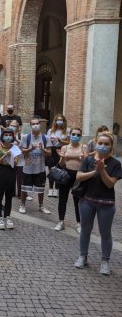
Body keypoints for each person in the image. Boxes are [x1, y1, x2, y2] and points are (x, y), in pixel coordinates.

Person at [74, 132, 122, 275]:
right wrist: (95, 171)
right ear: (95, 143)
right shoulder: (88, 160)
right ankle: (83, 256)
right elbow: (79, 176)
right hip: (87, 201)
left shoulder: (115, 164)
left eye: (106, 144)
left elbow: (109, 184)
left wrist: (102, 171)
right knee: (85, 230)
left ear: (111, 146)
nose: (102, 146)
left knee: (105, 233)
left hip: (106, 203)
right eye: (100, 143)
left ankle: (105, 261)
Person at [54, 127, 88, 232]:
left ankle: (79, 223)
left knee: (77, 201)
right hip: (66, 174)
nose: (75, 136)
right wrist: (62, 158)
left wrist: (84, 159)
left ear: (81, 136)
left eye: (78, 135)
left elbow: (87, 164)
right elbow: (61, 164)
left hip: (78, 175)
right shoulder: (65, 147)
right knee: (62, 199)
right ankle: (61, 221)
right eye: (74, 134)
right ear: (70, 134)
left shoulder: (84, 147)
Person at [19, 117, 52, 214]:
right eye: (33, 124)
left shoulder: (46, 138)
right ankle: (22, 204)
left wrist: (43, 149)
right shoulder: (26, 137)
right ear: (30, 125)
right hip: (28, 168)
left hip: (40, 168)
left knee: (40, 189)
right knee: (24, 188)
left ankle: (41, 206)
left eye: (37, 123)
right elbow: (22, 151)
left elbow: (49, 153)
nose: (35, 125)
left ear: (40, 125)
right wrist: (30, 149)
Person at [0, 128, 20, 229]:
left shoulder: (15, 148)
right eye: (6, 134)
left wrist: (12, 159)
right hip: (1, 172)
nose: (8, 136)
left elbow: (16, 162)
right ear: (3, 136)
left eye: (10, 135)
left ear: (12, 136)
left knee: (9, 196)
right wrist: (5, 155)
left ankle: (7, 216)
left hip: (11, 172)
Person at [46, 114, 70, 197]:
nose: (59, 121)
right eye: (57, 120)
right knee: (51, 169)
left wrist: (60, 141)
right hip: (52, 150)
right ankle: (50, 188)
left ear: (63, 121)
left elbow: (68, 142)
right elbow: (47, 141)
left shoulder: (67, 130)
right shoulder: (50, 131)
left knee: (59, 169)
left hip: (61, 150)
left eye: (61, 120)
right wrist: (51, 141)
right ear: (55, 121)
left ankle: (56, 189)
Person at [9, 120, 24, 199]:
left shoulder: (21, 135)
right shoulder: (7, 135)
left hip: (20, 160)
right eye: (11, 125)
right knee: (11, 177)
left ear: (18, 128)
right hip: (10, 160)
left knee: (20, 178)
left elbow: (24, 146)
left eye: (14, 126)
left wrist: (16, 140)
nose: (12, 127)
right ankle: (12, 192)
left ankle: (20, 194)